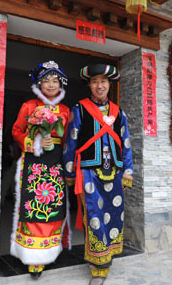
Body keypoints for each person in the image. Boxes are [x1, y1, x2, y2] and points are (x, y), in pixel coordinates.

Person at [63, 64, 133, 285]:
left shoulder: (119, 112)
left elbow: (126, 144)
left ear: (109, 85)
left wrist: (128, 171)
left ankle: (109, 254)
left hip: (114, 171)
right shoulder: (80, 109)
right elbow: (71, 141)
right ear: (89, 86)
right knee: (94, 216)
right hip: (89, 173)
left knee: (113, 214)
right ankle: (98, 267)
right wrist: (69, 171)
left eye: (103, 81)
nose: (99, 85)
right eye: (95, 81)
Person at [11, 61, 71, 278]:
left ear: (61, 84)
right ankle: (33, 259)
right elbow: (16, 130)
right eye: (46, 81)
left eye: (55, 81)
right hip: (34, 163)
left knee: (54, 204)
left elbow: (67, 140)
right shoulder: (28, 106)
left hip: (56, 164)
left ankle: (50, 252)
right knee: (33, 203)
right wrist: (33, 142)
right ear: (39, 84)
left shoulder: (65, 110)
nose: (51, 85)